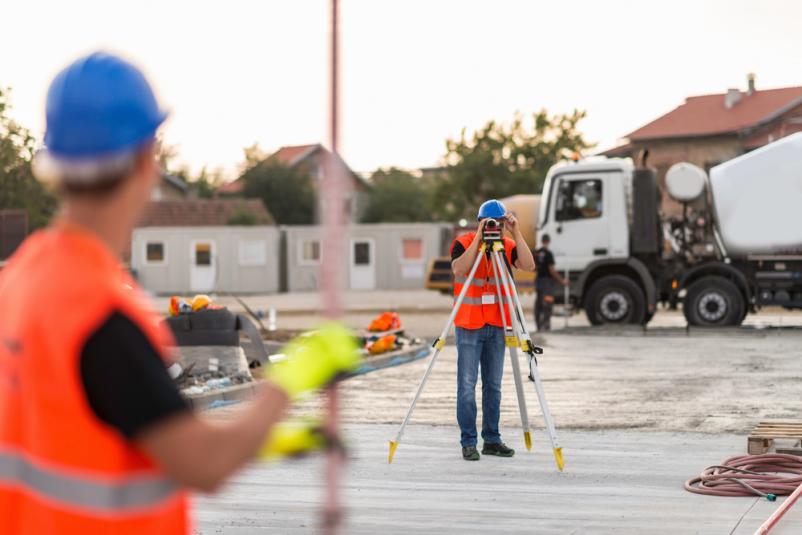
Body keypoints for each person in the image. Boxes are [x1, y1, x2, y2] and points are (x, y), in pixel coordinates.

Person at [0, 52, 359, 534]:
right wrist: (290, 382)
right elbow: (201, 464)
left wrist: (255, 439)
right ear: (147, 160)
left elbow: (90, 421)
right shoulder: (101, 314)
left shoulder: (21, 280)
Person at [450, 199, 535, 461]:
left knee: (494, 386)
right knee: (466, 386)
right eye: (490, 223)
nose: (493, 229)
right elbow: (459, 270)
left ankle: (492, 439)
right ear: (479, 222)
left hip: (497, 324)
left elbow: (529, 265)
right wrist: (479, 239)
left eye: (498, 224)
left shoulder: (506, 245)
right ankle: (468, 441)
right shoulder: (463, 243)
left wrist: (515, 232)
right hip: (469, 325)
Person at [533, 234, 567, 331]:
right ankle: (546, 326)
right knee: (547, 302)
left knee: (539, 303)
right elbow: (551, 270)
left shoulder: (537, 253)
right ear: (548, 241)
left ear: (542, 241)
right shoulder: (548, 253)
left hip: (538, 280)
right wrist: (562, 280)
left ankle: (538, 326)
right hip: (547, 281)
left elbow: (534, 268)